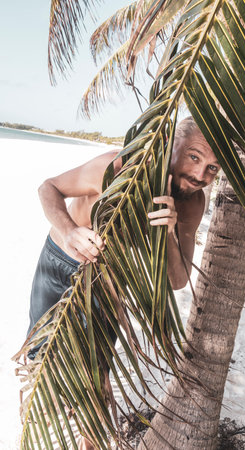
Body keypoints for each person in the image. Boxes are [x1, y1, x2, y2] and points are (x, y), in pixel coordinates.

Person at [26, 116, 220, 448]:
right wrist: (70, 230)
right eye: (194, 156)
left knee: (96, 376)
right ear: (172, 146)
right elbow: (49, 187)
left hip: (108, 280)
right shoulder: (119, 167)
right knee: (39, 359)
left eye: (213, 169)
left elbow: (177, 280)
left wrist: (171, 232)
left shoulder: (192, 203)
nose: (200, 175)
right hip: (60, 262)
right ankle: (34, 425)